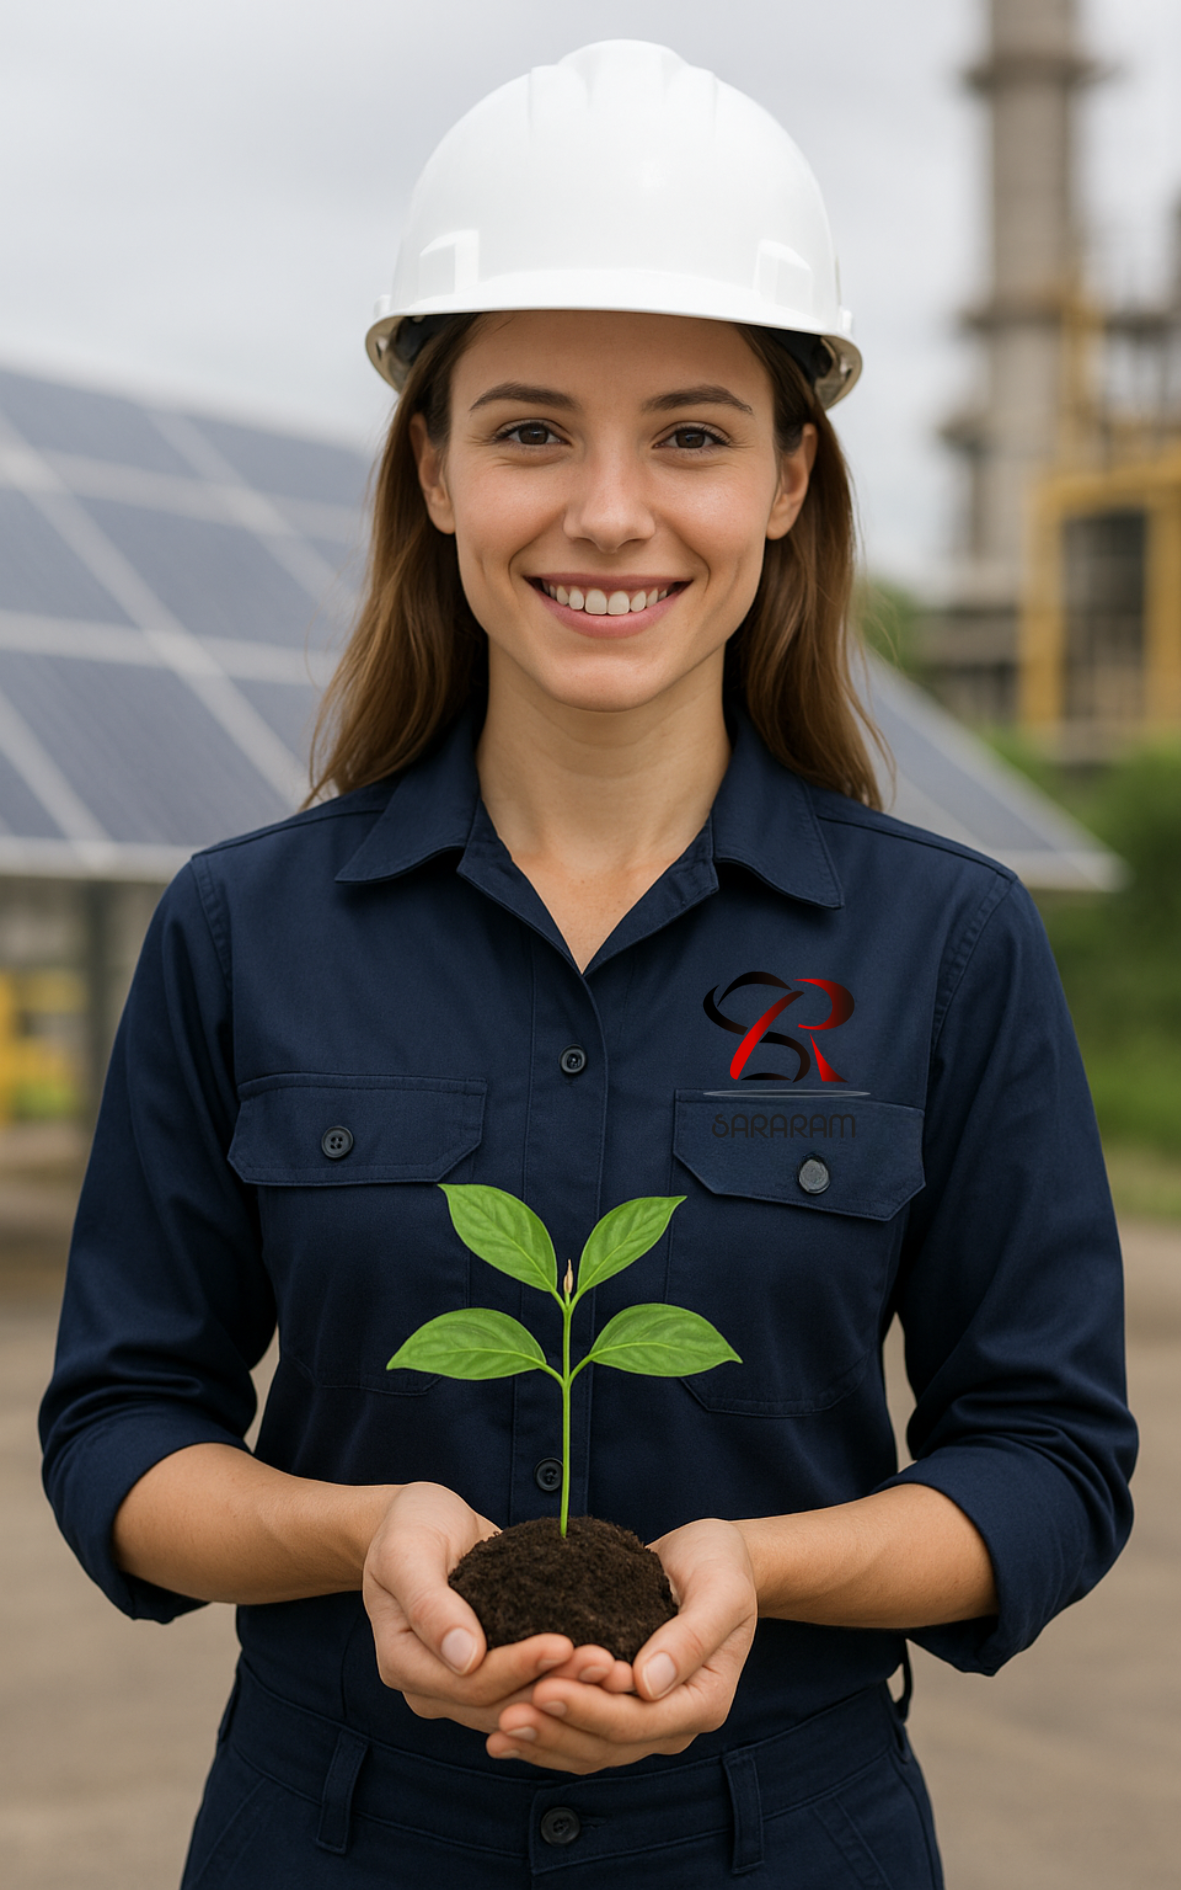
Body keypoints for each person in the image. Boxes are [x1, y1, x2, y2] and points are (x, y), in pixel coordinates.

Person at [40, 40, 1135, 1890]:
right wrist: (363, 1529)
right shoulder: (241, 925)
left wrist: (760, 1567)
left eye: (693, 435)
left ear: (791, 481)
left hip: (788, 1835)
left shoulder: (947, 939)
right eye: (532, 427)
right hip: (336, 1833)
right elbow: (121, 1433)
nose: (609, 511)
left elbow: (1046, 1457)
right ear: (438, 471)